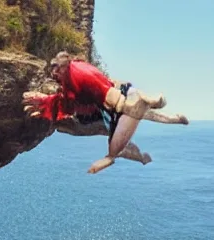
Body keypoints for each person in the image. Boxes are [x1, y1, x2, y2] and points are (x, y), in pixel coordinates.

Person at [22, 51, 188, 173]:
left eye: (56, 73)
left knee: (117, 146)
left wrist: (47, 102)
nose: (55, 76)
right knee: (139, 113)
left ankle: (125, 157)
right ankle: (171, 116)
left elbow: (67, 106)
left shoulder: (71, 84)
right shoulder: (80, 65)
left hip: (119, 107)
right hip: (124, 90)